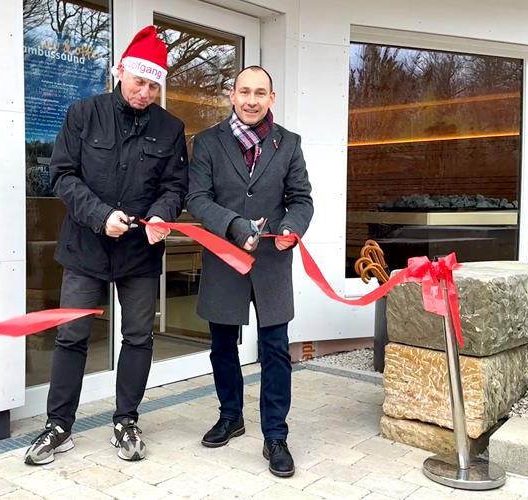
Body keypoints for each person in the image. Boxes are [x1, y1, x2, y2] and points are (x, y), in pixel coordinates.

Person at [24, 26, 187, 466]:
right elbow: (62, 175)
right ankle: (58, 425)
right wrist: (100, 216)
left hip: (140, 253)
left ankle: (126, 421)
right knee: (72, 336)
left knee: (137, 338)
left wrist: (161, 214)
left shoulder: (171, 127)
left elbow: (176, 186)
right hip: (85, 248)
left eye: (155, 85)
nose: (146, 92)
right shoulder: (82, 113)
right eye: (139, 81)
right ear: (120, 71)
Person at [186, 66, 313, 477]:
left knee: (275, 349)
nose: (252, 100)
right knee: (222, 346)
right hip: (224, 258)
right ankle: (231, 416)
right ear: (232, 95)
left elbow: (301, 198)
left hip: (273, 262)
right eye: (245, 92)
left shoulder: (288, 144)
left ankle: (276, 434)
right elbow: (198, 199)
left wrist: (293, 226)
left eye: (260, 93)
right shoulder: (206, 143)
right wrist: (234, 225)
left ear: (271, 98)